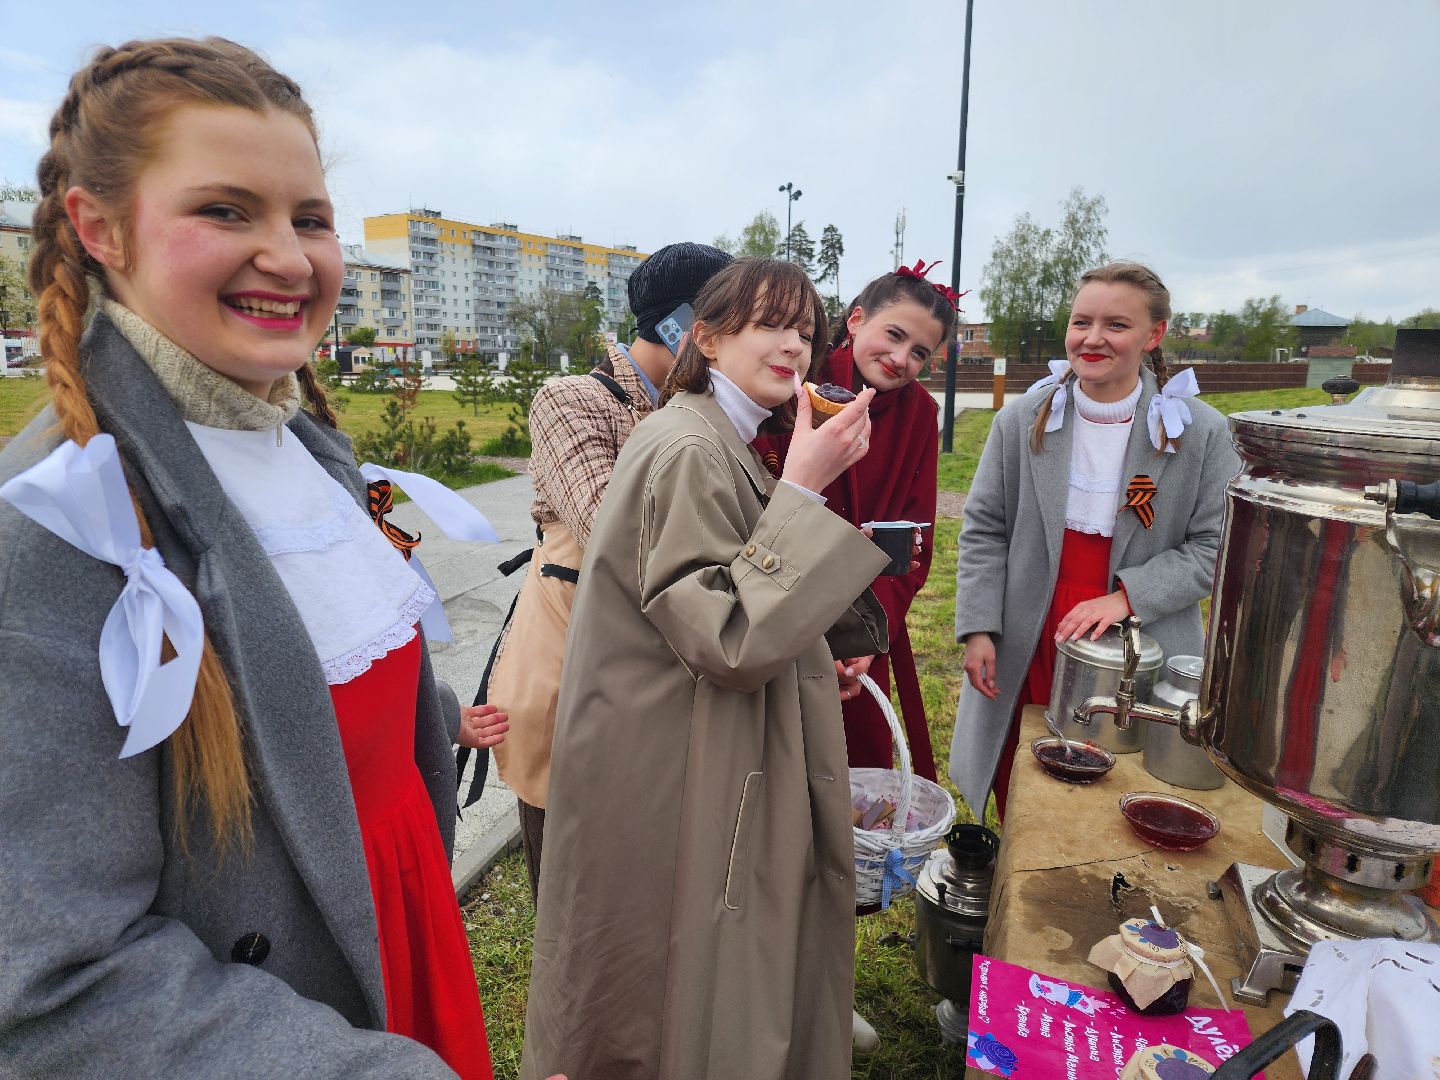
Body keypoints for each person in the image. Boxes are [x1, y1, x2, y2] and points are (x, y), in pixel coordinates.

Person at [0, 38, 506, 1078]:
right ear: (100, 229)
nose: (291, 256)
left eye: (308, 218)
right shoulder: (64, 517)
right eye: (226, 211)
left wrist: (439, 716)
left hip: (401, 939)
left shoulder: (304, 447)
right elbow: (59, 981)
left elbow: (310, 710)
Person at [519, 258, 890, 1080]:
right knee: (689, 960)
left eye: (808, 330)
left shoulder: (721, 433)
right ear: (709, 338)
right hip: (681, 757)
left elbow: (738, 589)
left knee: (703, 955)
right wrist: (802, 487)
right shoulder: (687, 444)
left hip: (702, 743)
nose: (795, 344)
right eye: (771, 324)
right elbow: (723, 638)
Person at [482, 242, 733, 903]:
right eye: (732, 322)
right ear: (687, 326)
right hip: (574, 671)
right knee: (575, 892)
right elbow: (610, 531)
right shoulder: (572, 399)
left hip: (657, 677)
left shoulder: (708, 409)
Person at [949, 261, 1240, 822]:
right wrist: (979, 626)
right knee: (1028, 771)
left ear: (1153, 334)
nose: (1093, 338)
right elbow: (985, 529)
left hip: (1139, 635)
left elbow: (1216, 546)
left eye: (1116, 325)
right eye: (1082, 321)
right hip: (1032, 627)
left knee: (1118, 785)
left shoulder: (1199, 432)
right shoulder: (1022, 420)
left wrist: (1124, 598)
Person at [755, 260, 959, 784]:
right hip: (774, 600)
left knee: (854, 774)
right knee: (772, 765)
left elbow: (914, 540)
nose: (900, 358)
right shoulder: (794, 382)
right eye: (893, 335)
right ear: (855, 319)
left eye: (920, 352)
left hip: (865, 621)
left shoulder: (919, 414)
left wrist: (865, 638)